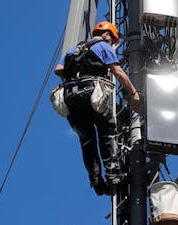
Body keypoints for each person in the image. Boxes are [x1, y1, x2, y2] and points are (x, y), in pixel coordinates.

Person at [54, 21, 141, 196]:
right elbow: (118, 72)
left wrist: (75, 76)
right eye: (113, 40)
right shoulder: (103, 46)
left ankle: (96, 181)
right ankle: (113, 173)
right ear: (108, 34)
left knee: (87, 140)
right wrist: (133, 94)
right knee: (107, 132)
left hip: (70, 97)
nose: (112, 44)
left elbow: (59, 69)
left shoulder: (74, 49)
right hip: (93, 93)